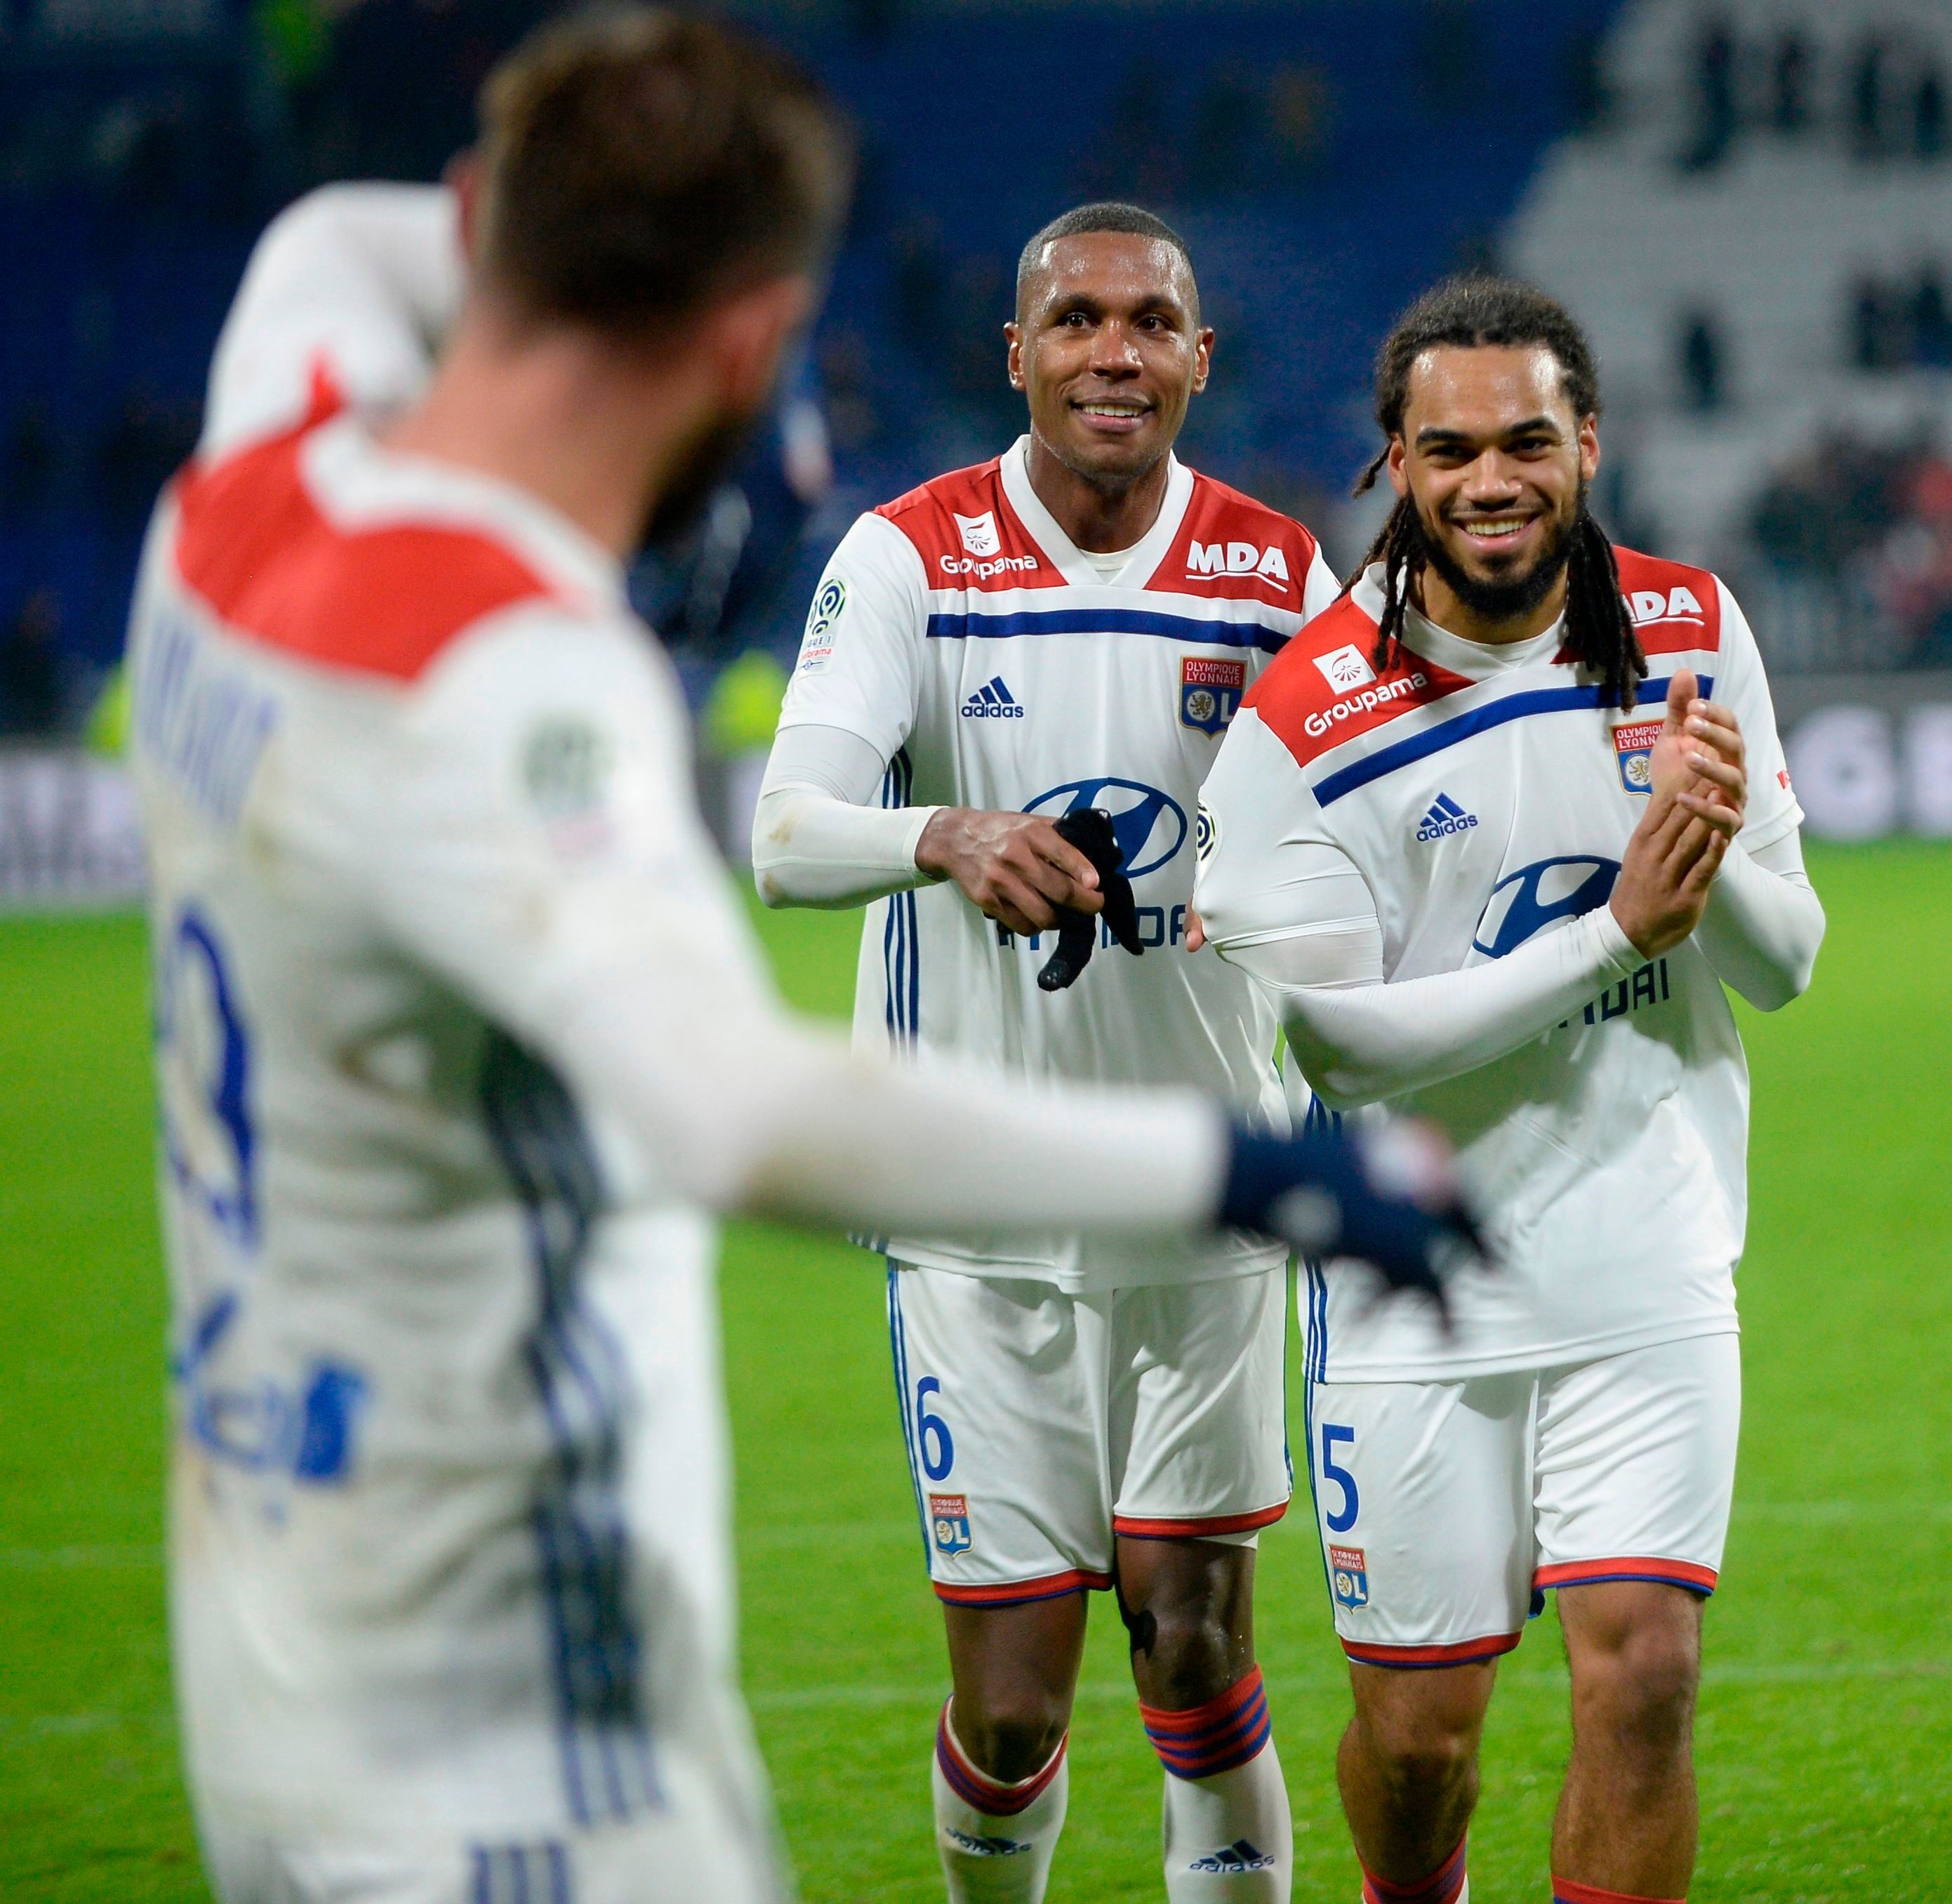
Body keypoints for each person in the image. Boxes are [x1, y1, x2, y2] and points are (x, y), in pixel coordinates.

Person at [126, 16, 1468, 1900]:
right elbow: (740, 1108)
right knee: (1009, 1705)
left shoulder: (241, 490)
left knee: (1194, 1636)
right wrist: (1262, 1165)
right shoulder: (515, 684)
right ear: (754, 342)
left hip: (269, 1642)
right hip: (518, 1742)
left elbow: (341, 243)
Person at [1193, 276, 1825, 1904]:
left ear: (1588, 443)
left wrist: (1713, 843)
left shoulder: (1691, 628)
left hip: (1649, 1257)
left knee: (1650, 1677)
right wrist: (1620, 925)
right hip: (1416, 1287)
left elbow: (1784, 957)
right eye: (1452, 446)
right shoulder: (1304, 718)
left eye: (1531, 440)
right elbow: (1337, 1044)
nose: (1495, 479)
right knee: (1420, 1744)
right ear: (1393, 463)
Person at [750, 201, 1339, 1904]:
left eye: (1149, 324)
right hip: (978, 1222)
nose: (1112, 354)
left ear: (1197, 359)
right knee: (1010, 1717)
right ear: (1016, 353)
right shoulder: (909, 557)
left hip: (1205, 1201)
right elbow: (787, 834)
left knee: (1193, 1641)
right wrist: (940, 835)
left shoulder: (1271, 570)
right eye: (1075, 322)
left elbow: (1350, 836)